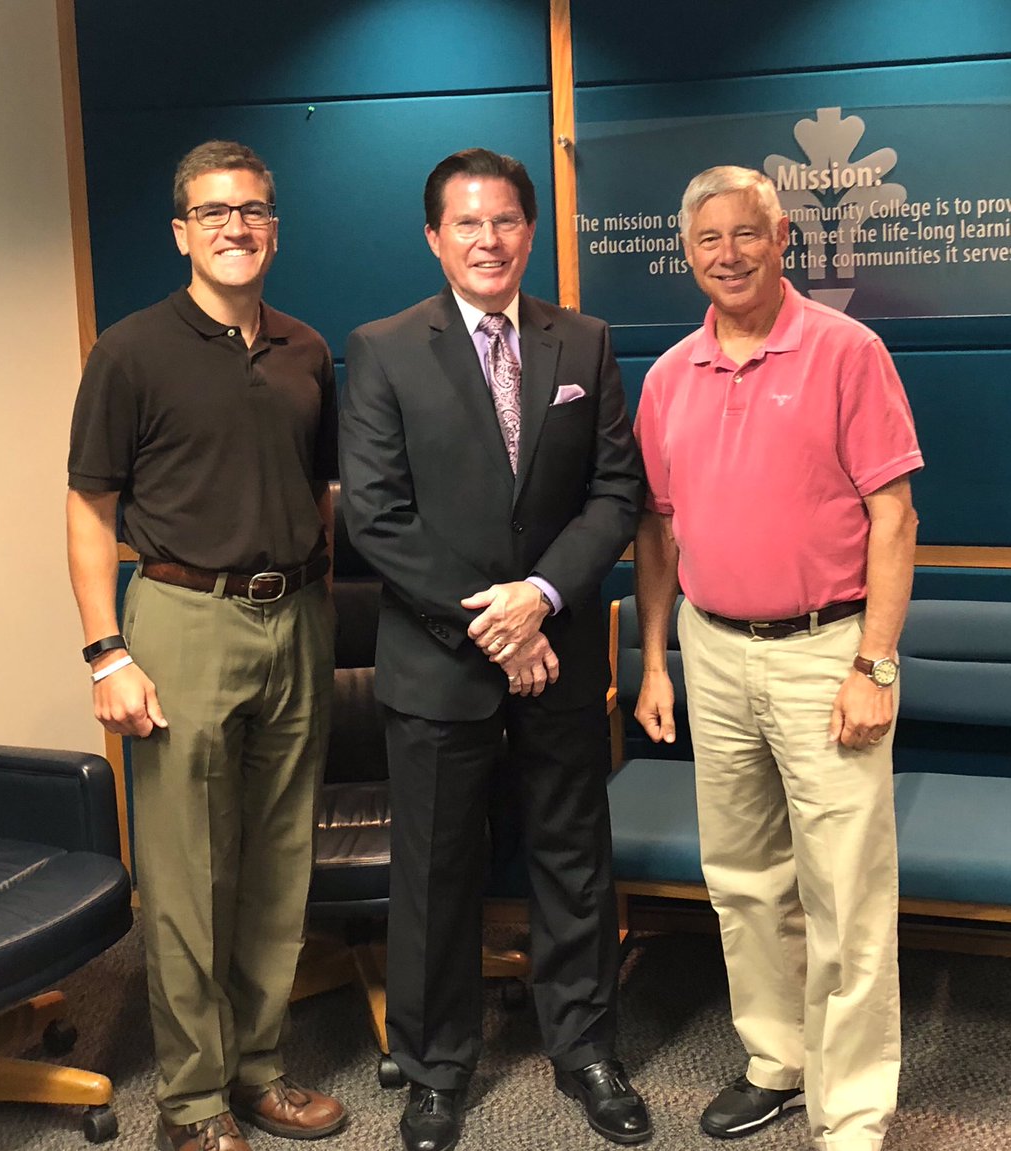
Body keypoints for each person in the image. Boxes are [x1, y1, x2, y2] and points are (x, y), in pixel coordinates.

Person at [340, 147, 649, 1151]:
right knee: (436, 872)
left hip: (561, 652)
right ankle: (435, 1069)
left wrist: (541, 597)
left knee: (573, 856)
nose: (489, 240)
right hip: (441, 664)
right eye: (467, 223)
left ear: (531, 230)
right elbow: (377, 517)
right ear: (434, 237)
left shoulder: (584, 341)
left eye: (507, 220)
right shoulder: (384, 348)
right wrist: (497, 626)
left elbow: (615, 492)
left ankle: (586, 1047)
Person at [633, 166, 923, 1151]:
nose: (729, 255)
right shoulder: (669, 376)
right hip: (712, 650)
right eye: (708, 239)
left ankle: (852, 1111)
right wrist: (657, 660)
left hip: (826, 651)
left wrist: (874, 664)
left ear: (783, 236)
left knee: (845, 890)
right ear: (688, 254)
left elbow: (894, 516)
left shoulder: (847, 350)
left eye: (746, 233)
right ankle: (778, 1060)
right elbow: (657, 528)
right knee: (745, 877)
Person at [66, 140, 346, 1151]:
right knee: (188, 874)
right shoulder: (130, 351)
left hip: (296, 617)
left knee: (279, 862)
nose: (237, 226)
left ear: (275, 227)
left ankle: (259, 1070)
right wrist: (106, 651)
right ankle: (191, 1102)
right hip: (182, 620)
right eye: (215, 211)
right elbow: (90, 509)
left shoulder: (307, 350)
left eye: (255, 209)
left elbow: (321, 490)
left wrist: (311, 595)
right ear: (182, 231)